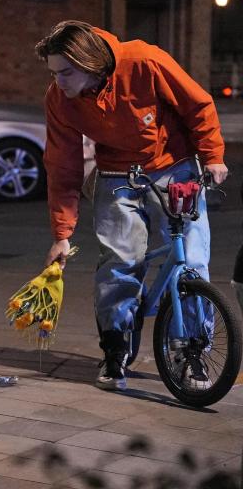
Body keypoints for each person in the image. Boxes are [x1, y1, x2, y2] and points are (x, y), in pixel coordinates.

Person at [36, 20, 228, 391]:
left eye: (66, 72)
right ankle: (115, 348)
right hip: (115, 175)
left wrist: (213, 155)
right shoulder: (59, 99)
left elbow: (197, 104)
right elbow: (62, 164)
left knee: (192, 259)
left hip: (175, 166)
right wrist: (62, 233)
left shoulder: (144, 61)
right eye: (54, 73)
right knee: (119, 264)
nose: (58, 81)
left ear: (89, 62)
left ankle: (190, 350)